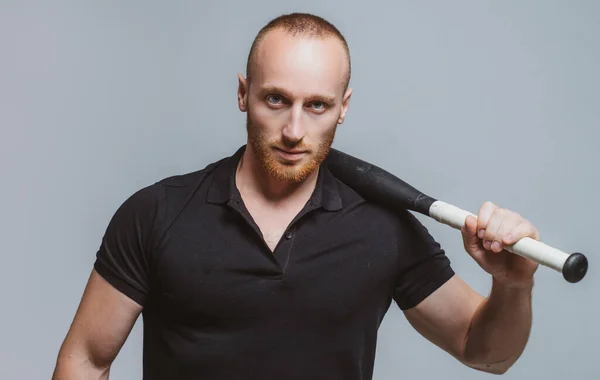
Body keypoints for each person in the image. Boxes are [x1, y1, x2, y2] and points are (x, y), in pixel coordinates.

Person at [52, 12, 540, 380]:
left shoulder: (383, 228)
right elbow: (86, 358)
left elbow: (484, 350)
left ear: (343, 108)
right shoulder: (156, 214)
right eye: (276, 99)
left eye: (317, 106)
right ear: (244, 94)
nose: (294, 130)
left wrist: (513, 286)